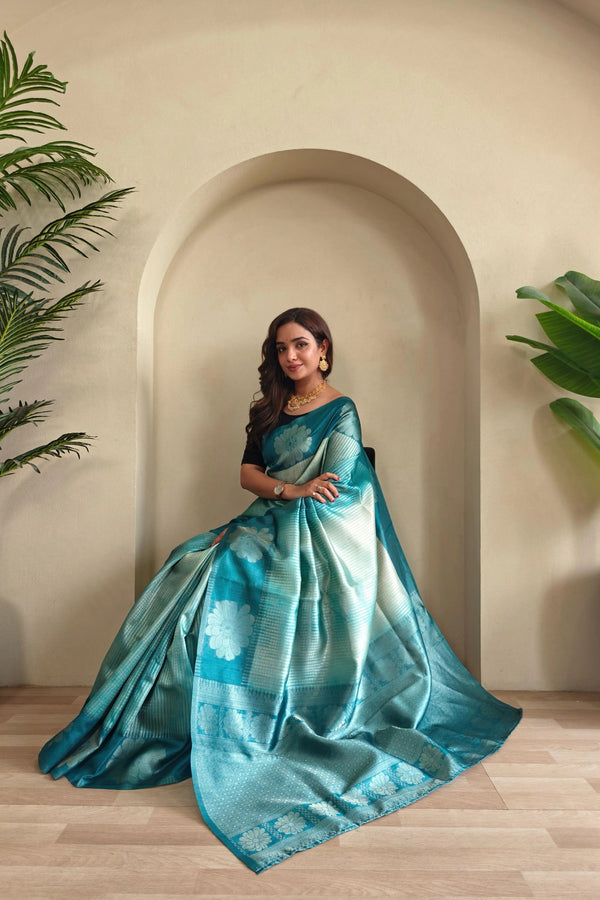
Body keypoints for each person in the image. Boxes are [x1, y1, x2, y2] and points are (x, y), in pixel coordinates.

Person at [39, 307, 521, 874]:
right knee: (186, 561)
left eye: (300, 346)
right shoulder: (267, 409)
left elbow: (338, 490)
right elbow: (247, 474)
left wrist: (292, 500)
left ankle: (246, 717)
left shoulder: (341, 410)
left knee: (230, 566)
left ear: (324, 350)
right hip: (269, 512)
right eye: (281, 349)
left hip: (316, 532)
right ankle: (154, 719)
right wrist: (287, 491)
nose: (290, 357)